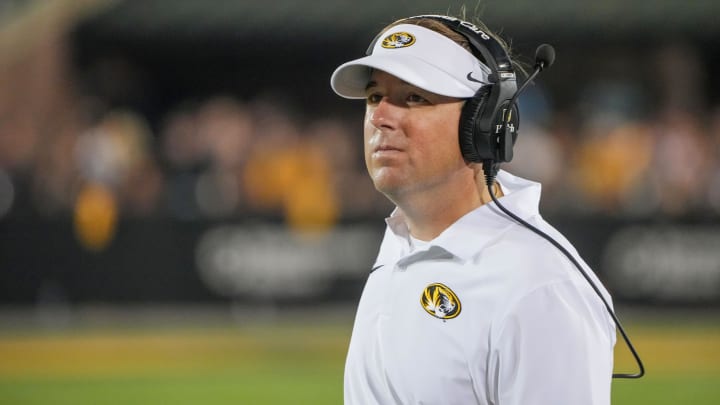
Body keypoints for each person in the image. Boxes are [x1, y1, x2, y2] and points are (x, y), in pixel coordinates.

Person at [330, 14, 616, 404]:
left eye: (415, 97)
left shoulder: (541, 289)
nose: (381, 117)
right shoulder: (403, 240)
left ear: (485, 123)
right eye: (374, 96)